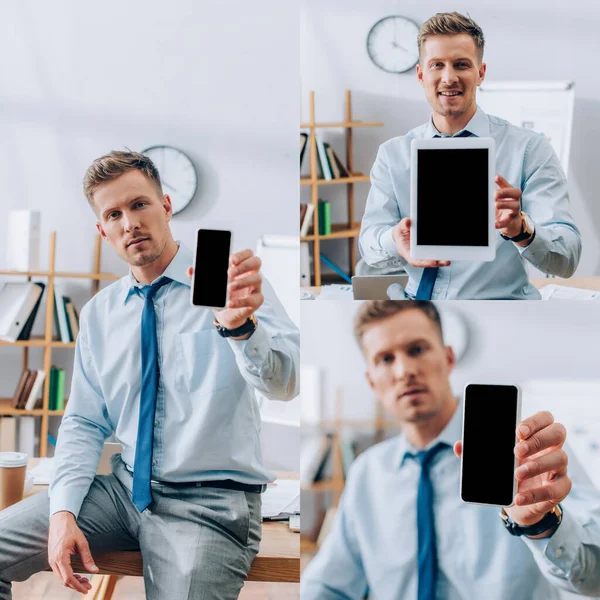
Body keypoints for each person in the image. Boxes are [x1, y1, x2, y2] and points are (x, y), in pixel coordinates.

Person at [0, 151, 300, 600]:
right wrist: (63, 511)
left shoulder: (229, 286)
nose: (130, 223)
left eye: (139, 205)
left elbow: (285, 384)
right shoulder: (100, 313)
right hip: (123, 491)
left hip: (210, 504)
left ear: (166, 205)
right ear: (103, 230)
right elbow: (84, 421)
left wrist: (241, 329)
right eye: (114, 214)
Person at [301, 301, 600, 599]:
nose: (404, 370)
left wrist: (541, 524)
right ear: (371, 381)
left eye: (417, 349)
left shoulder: (528, 455)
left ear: (448, 358)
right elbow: (328, 585)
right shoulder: (367, 473)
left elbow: (593, 575)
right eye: (385, 359)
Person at [358, 12, 581, 300]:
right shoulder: (393, 155)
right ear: (421, 74)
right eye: (437, 65)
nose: (449, 78)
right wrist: (394, 240)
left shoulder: (529, 150)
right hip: (419, 313)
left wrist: (522, 230)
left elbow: (568, 258)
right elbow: (369, 245)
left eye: (461, 65)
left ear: (480, 72)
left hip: (501, 312)